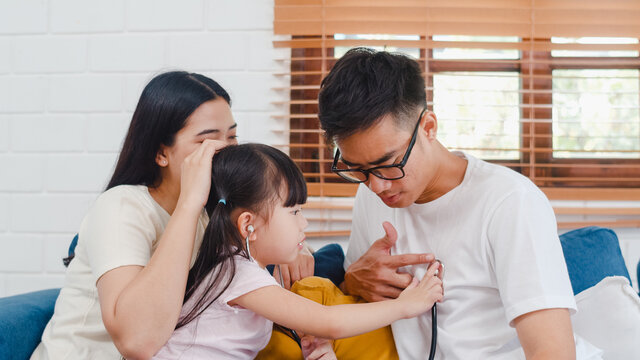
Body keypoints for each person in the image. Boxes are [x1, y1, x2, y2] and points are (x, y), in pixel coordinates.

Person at [317, 48, 603, 359]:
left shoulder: (510, 202)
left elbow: (553, 353)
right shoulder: (371, 194)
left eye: (387, 164)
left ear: (428, 127)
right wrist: (352, 282)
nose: (376, 185)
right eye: (356, 169)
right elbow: (359, 302)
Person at [30, 71, 314, 359]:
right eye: (207, 140)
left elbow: (255, 251)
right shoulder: (121, 207)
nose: (225, 151)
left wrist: (294, 249)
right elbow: (137, 342)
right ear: (161, 153)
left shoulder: (213, 214)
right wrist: (189, 205)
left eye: (232, 136)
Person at [152, 143, 444, 359]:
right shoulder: (238, 273)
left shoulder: (233, 268)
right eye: (293, 212)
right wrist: (405, 306)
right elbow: (329, 322)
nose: (303, 222)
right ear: (248, 225)